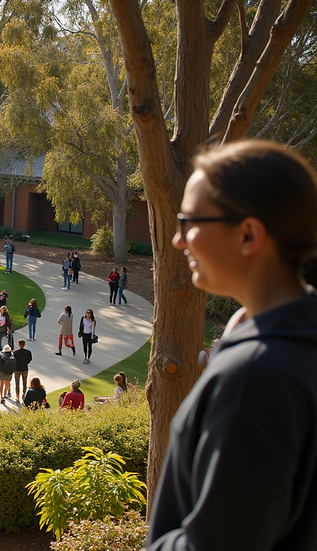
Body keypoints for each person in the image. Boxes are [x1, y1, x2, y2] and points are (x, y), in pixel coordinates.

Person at [145, 140, 317, 550]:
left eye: (189, 222)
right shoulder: (292, 341)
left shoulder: (255, 377)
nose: (177, 240)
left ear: (248, 234)